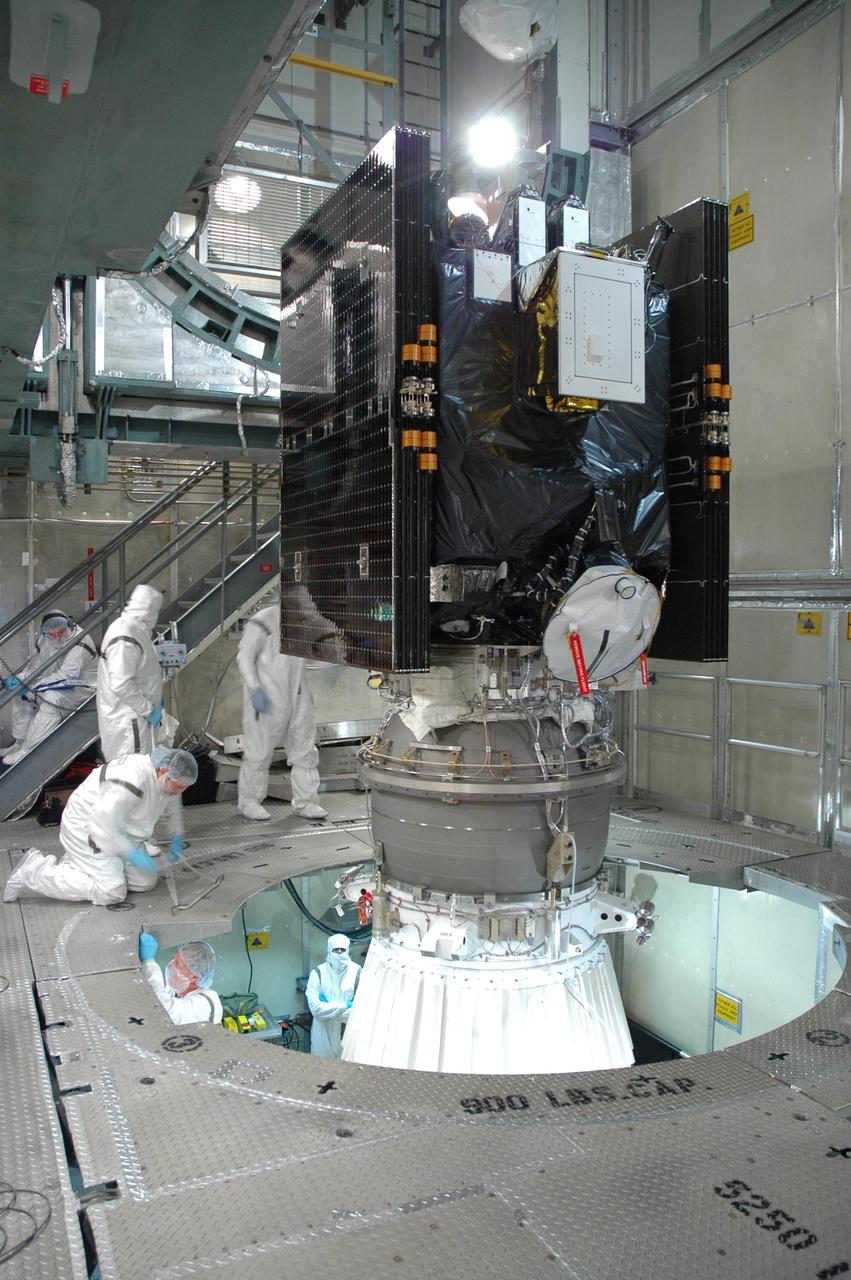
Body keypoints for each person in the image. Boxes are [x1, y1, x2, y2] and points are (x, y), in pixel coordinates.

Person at [2, 747, 197, 907]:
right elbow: (103, 825)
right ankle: (33, 872)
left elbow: (172, 803)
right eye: (179, 787)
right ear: (163, 772)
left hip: (121, 829)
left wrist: (176, 833)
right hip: (89, 828)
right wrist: (131, 853)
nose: (180, 792)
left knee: (145, 882)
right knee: (112, 891)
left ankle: (82, 867)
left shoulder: (167, 777)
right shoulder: (131, 780)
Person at [236, 603, 328, 822]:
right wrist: (254, 687)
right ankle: (249, 802)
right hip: (267, 696)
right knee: (259, 753)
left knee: (304, 748)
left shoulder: (307, 619)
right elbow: (244, 657)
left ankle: (306, 802)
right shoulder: (264, 620)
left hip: (297, 693)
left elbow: (313, 655)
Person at [1, 612, 99, 765]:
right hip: (61, 684)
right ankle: (19, 743)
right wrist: (20, 679)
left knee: (52, 697)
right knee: (19, 695)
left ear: (70, 625)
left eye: (62, 632)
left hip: (83, 688)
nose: (58, 638)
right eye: (53, 635)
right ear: (45, 633)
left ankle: (27, 750)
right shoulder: (45, 639)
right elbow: (35, 666)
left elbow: (66, 676)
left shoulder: (80, 642)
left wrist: (31, 689)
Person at [97, 584, 165, 761]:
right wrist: (148, 710)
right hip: (130, 721)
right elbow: (121, 684)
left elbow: (141, 672)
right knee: (130, 769)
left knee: (139, 769)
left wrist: (155, 698)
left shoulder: (136, 630)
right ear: (148, 609)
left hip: (137, 717)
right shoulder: (124, 635)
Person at [138, 931, 222, 1026]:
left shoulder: (204, 1003)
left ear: (194, 976)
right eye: (174, 960)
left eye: (178, 965)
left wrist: (149, 963)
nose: (171, 965)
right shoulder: (177, 992)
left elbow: (165, 1010)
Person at [305, 933, 361, 1058]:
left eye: (343, 950)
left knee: (346, 1067)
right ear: (329, 950)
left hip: (346, 1035)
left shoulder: (357, 972)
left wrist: (327, 1009)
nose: (339, 953)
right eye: (336, 950)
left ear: (348, 950)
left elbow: (360, 1012)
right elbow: (315, 1009)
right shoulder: (318, 973)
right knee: (321, 1067)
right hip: (322, 1035)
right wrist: (345, 1006)